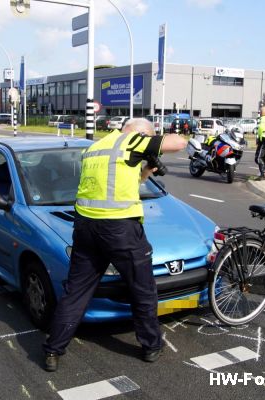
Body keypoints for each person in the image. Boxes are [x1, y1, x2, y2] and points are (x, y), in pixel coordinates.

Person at [42, 118, 187, 372]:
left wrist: (145, 173)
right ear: (140, 134)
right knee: (142, 288)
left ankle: (53, 349)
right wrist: (151, 146)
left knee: (76, 291)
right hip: (120, 230)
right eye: (147, 137)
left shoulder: (96, 147)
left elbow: (116, 184)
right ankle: (151, 346)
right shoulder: (131, 141)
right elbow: (180, 142)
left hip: (86, 227)